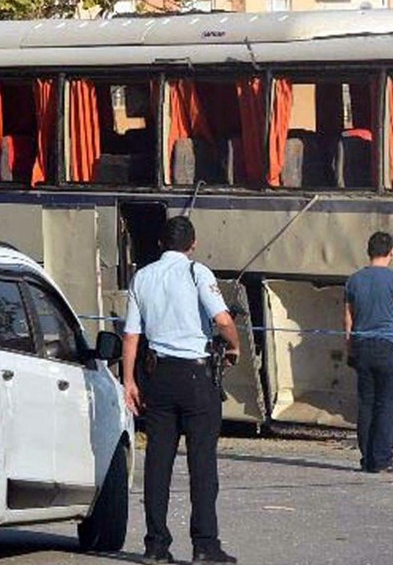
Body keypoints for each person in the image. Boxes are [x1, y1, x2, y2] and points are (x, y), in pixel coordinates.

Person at [122, 216, 241, 564]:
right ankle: (205, 545)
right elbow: (222, 320)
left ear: (161, 244)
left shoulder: (142, 277)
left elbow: (132, 335)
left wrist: (129, 381)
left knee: (158, 463)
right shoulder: (197, 273)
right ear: (193, 244)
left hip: (156, 376)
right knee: (202, 464)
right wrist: (234, 347)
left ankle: (156, 545)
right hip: (196, 377)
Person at [344, 231, 393, 473]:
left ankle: (367, 458)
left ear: (368, 251)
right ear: (392, 252)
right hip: (390, 348)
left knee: (366, 404)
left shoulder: (354, 281)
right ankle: (382, 458)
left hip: (363, 347)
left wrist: (350, 348)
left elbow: (348, 319)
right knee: (388, 406)